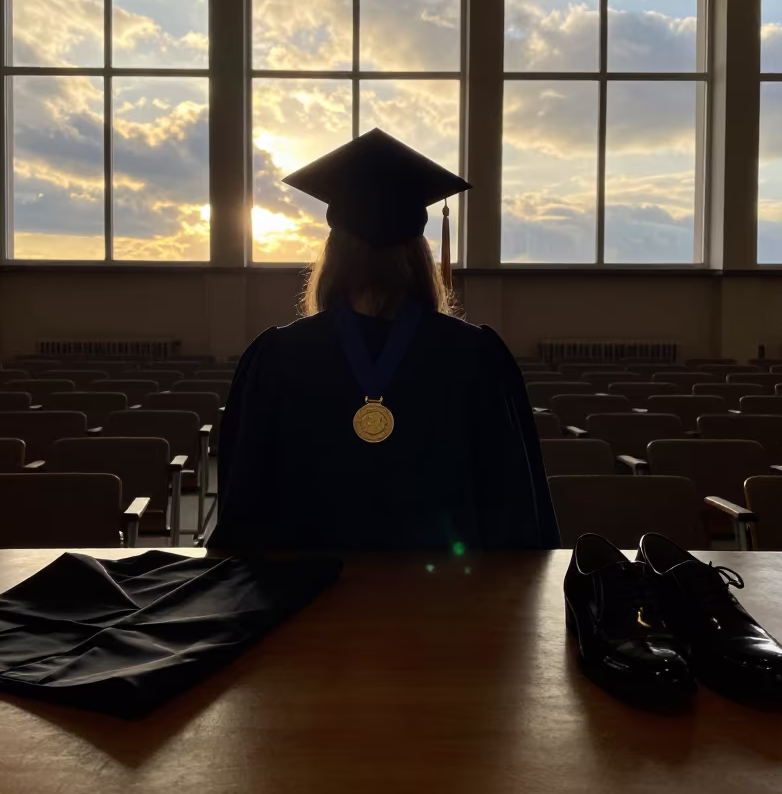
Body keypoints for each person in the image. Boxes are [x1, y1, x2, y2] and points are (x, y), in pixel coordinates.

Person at [209, 129, 558, 551]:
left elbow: (244, 506)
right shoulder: (476, 356)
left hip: (301, 601)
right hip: (452, 605)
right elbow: (514, 506)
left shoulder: (277, 357)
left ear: (333, 252)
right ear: (419, 254)